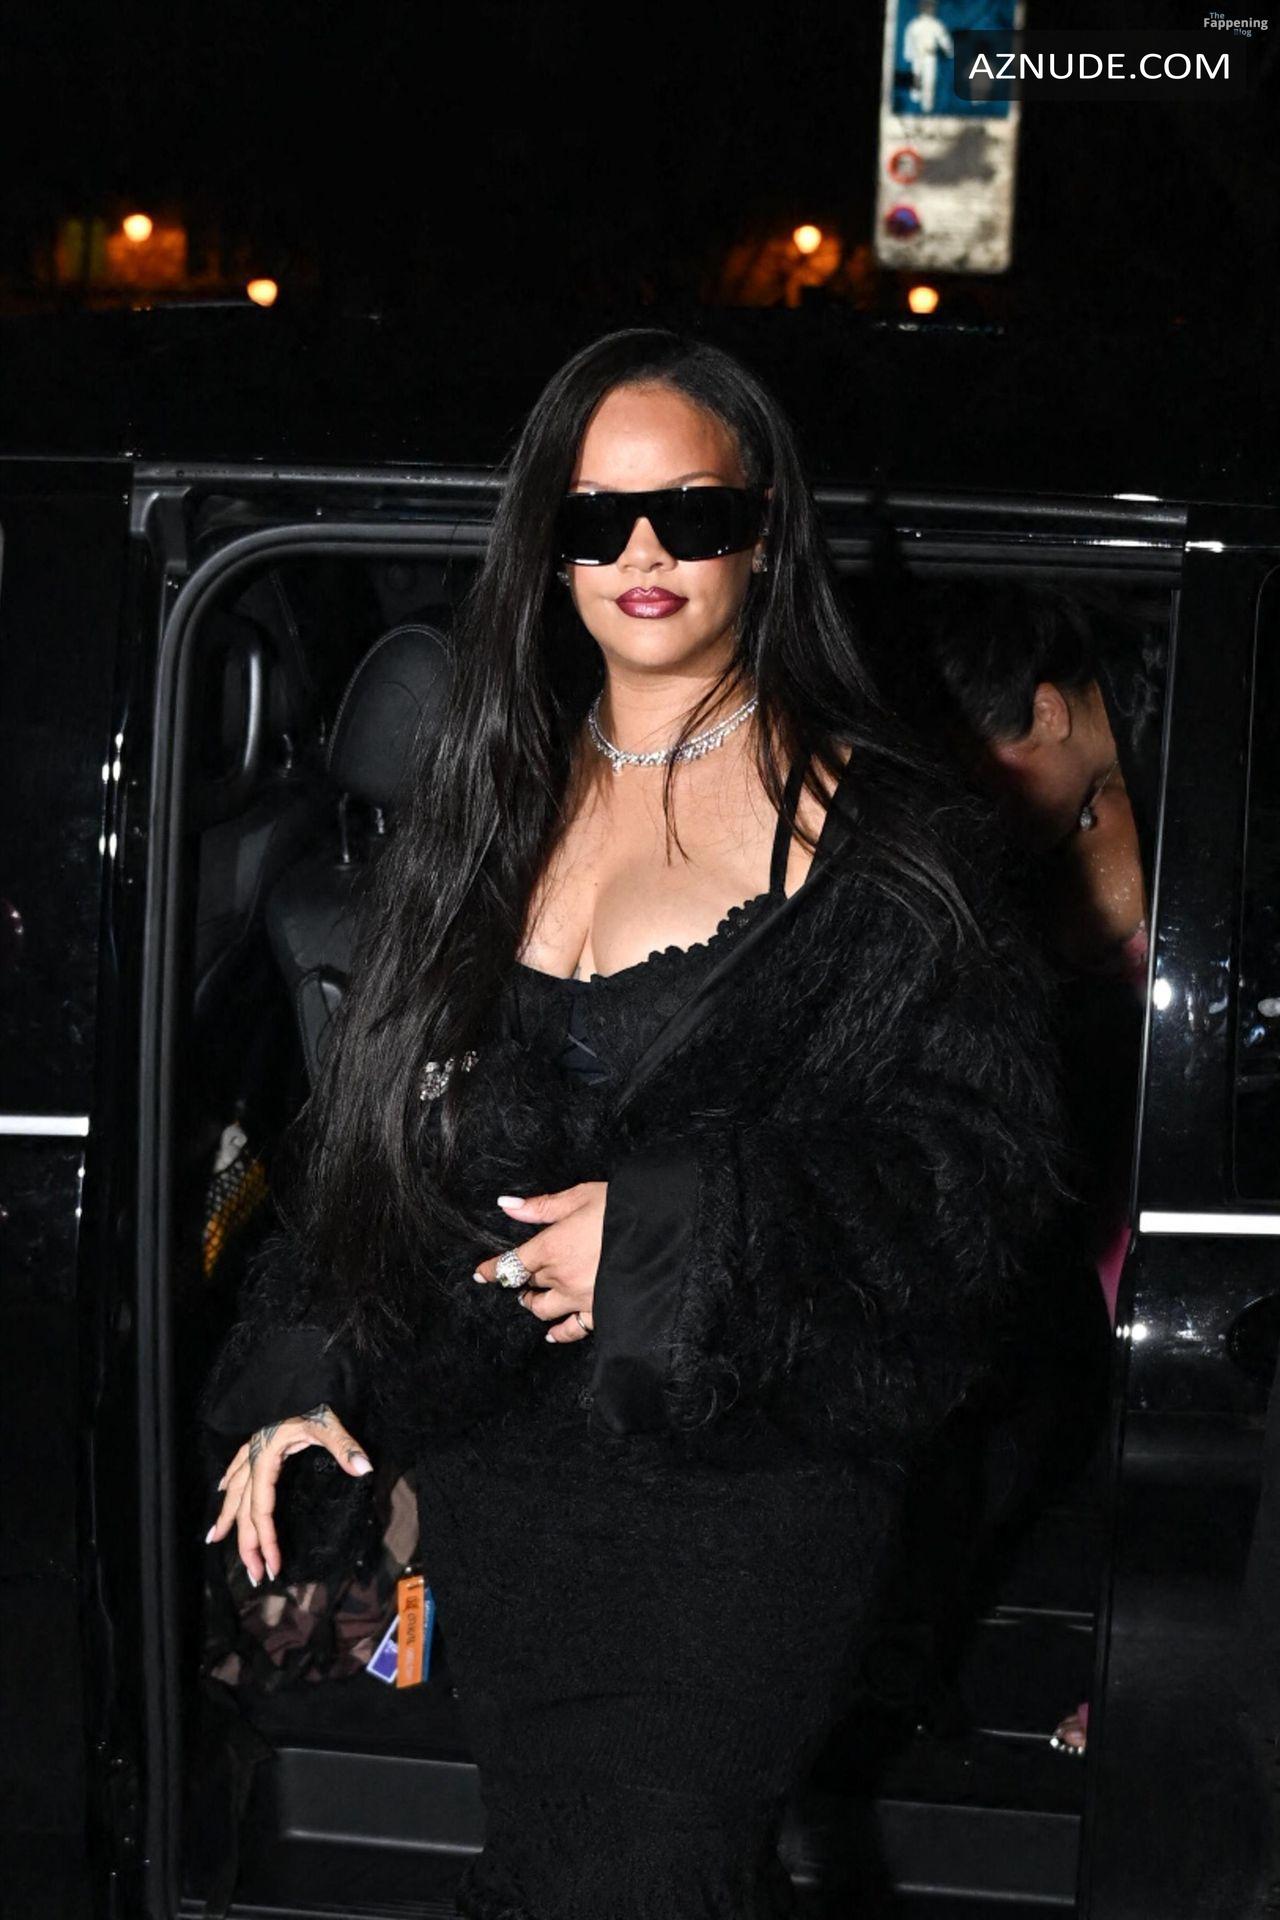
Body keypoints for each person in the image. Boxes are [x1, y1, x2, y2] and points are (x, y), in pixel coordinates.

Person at [201, 330, 1065, 1919]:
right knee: (558, 1870)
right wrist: (314, 1379)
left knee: (643, 1874)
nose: (643, 553)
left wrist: (676, 1234)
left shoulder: (889, 840)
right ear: (549, 547)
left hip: (744, 1486)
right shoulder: (488, 807)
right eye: (596, 520)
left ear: (767, 535)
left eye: (693, 515)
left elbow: (973, 1184)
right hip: (509, 1486)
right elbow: (378, 1142)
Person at [904, 581, 1157, 1757]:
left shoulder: (1188, 773)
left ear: (1048, 712)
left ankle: (1140, 1694)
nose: (984, 805)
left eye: (993, 767)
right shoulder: (1087, 804)